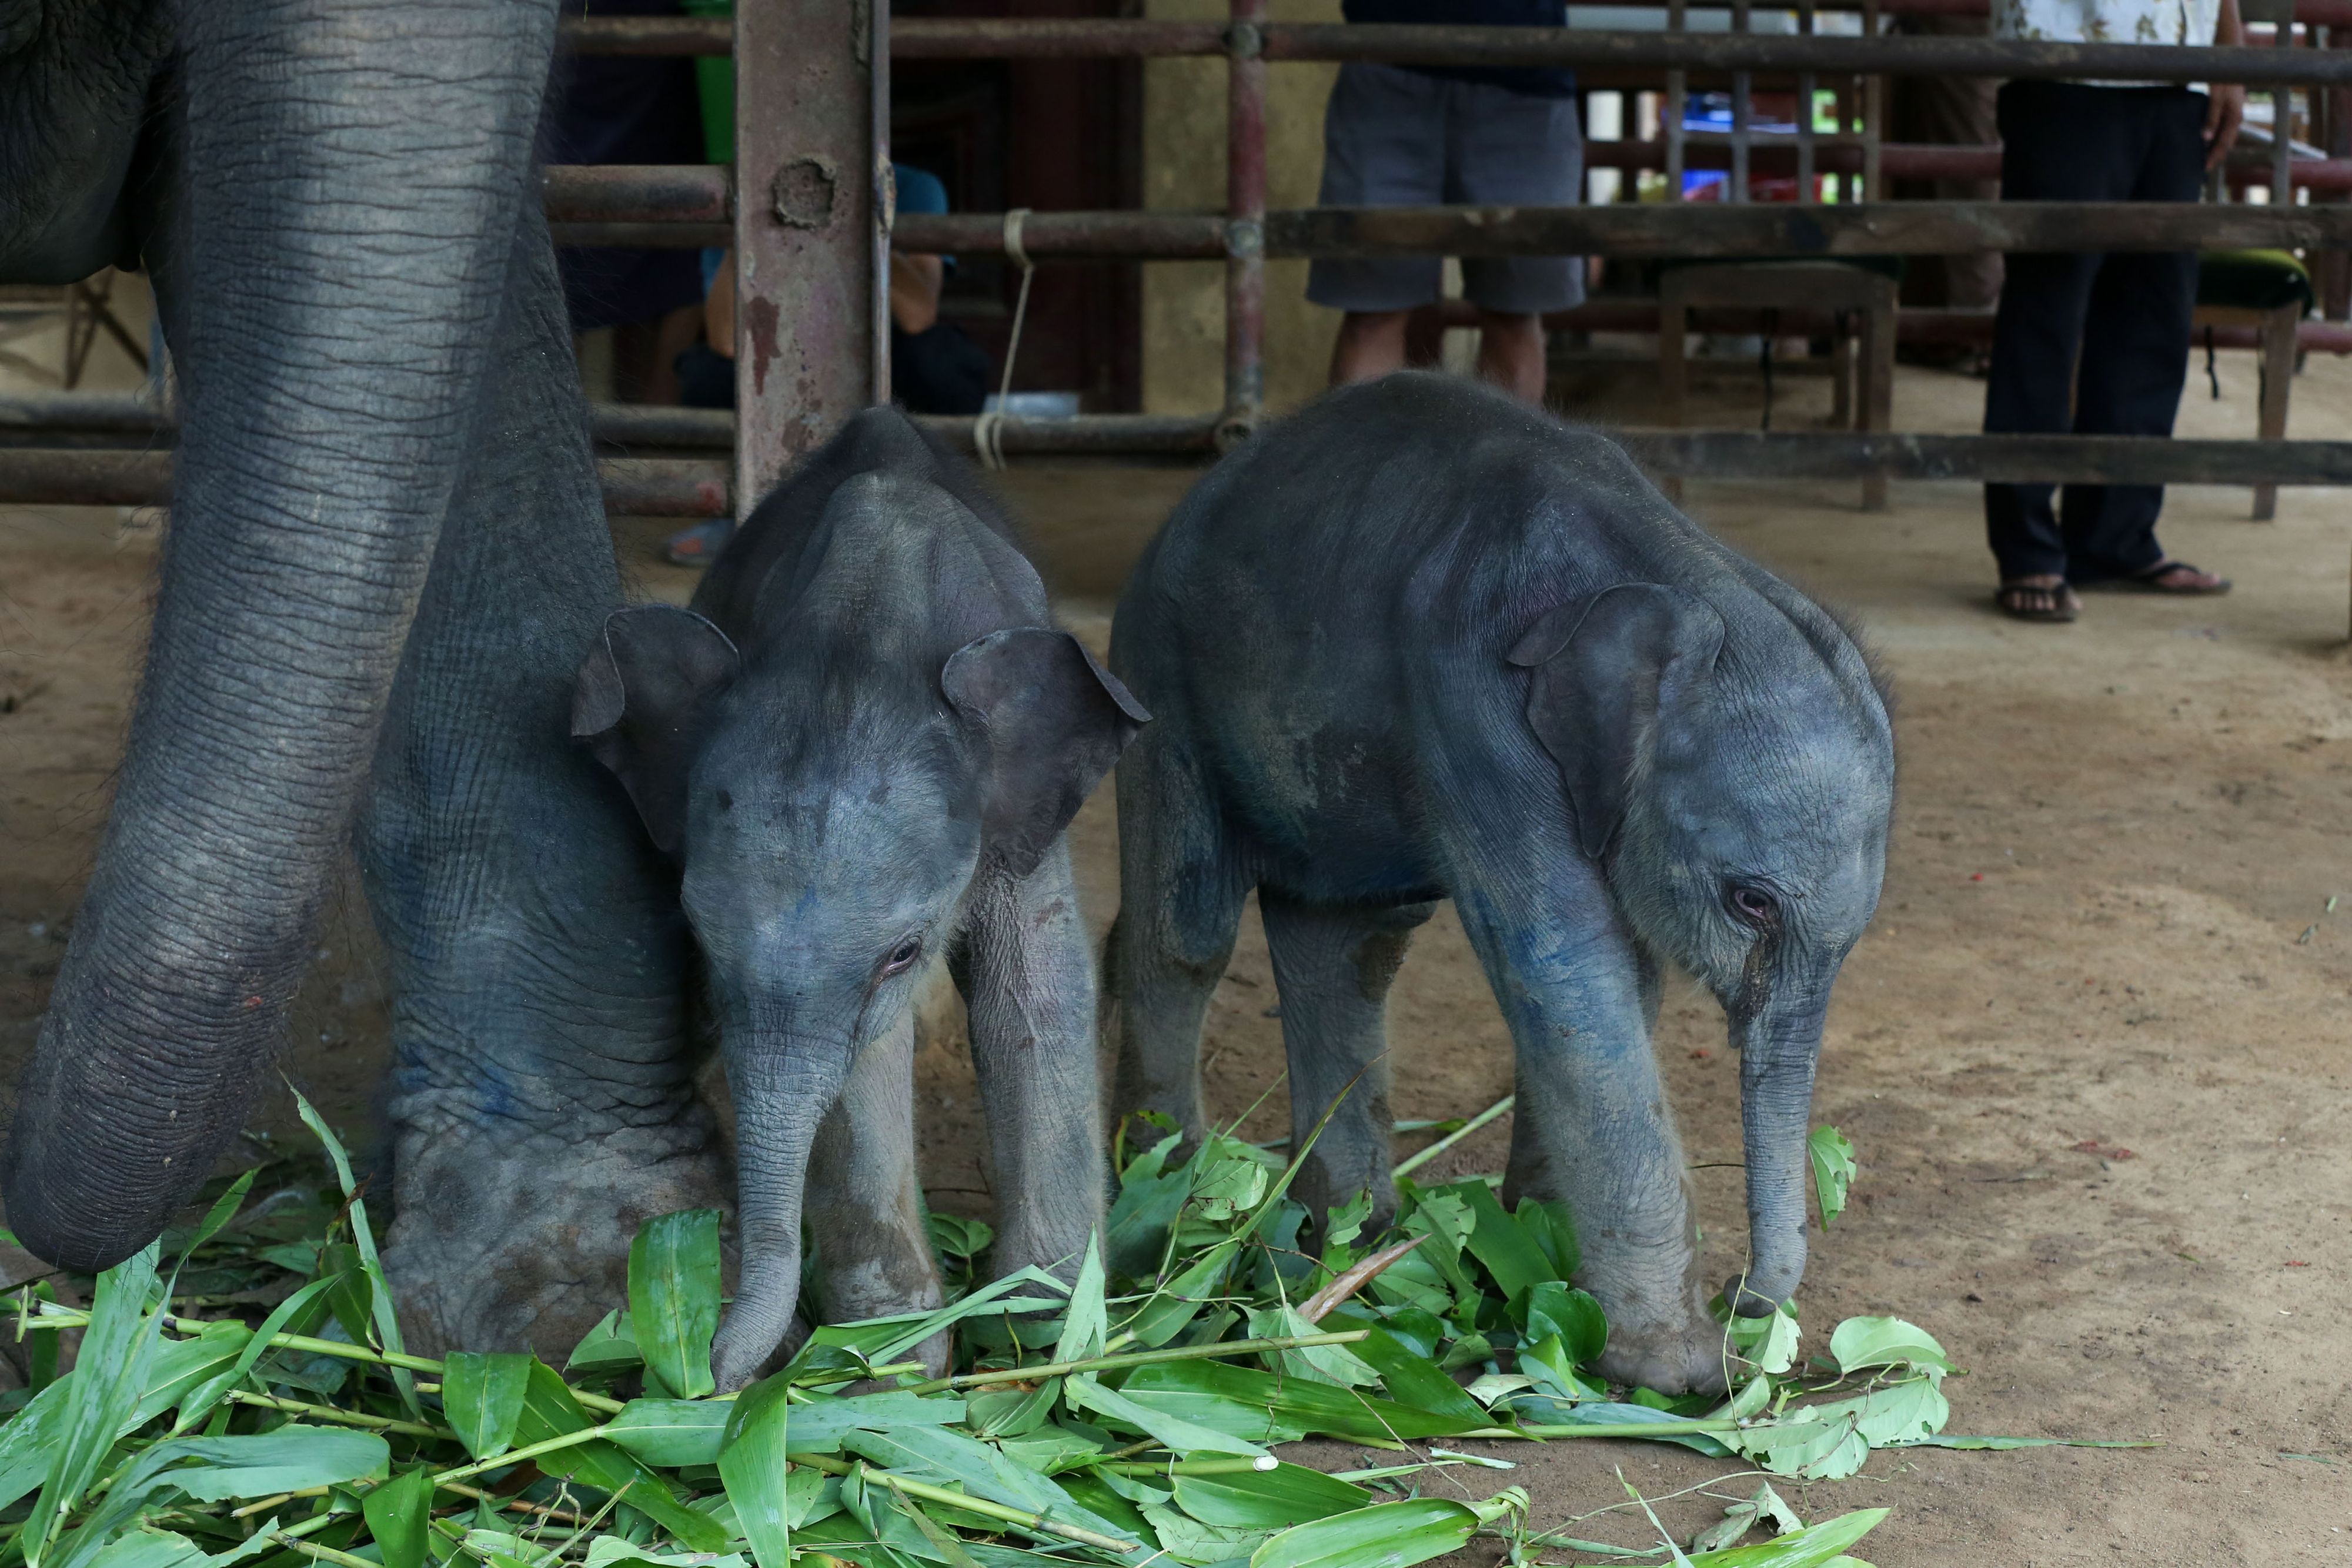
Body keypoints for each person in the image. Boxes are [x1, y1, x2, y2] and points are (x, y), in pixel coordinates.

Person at [1982, 0, 2246, 623]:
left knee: (2152, 314)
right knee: (2046, 311)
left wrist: (2226, 55)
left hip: (2178, 70)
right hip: (2063, 62)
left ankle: (2115, 536)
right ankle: (2027, 550)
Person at [664, 166, 986, 566]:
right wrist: (752, 228)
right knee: (709, 373)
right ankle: (745, 513)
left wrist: (846, 221)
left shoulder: (914, 186)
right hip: (782, 353)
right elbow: (727, 341)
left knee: (941, 365)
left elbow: (918, 314)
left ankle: (925, 513)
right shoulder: (746, 185)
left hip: (881, 353)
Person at [1308, 0, 1582, 404]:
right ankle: (1360, 469)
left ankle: (1500, 469)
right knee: (1370, 311)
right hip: (1385, 63)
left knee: (1514, 311)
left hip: (1523, 73)